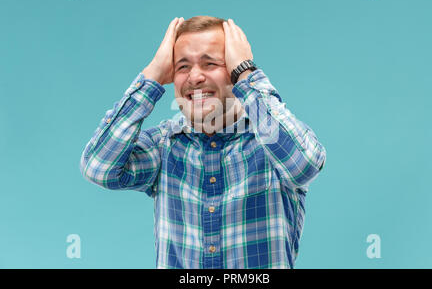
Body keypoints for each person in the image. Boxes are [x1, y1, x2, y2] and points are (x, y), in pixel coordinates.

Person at [80, 16, 326, 269]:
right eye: (182, 67)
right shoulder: (163, 146)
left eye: (210, 63)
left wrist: (246, 73)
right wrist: (152, 75)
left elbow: (304, 164)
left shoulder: (272, 144)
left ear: (233, 70)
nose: (195, 77)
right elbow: (99, 168)